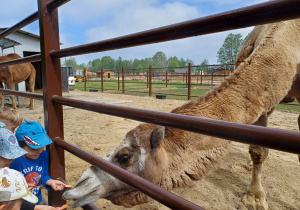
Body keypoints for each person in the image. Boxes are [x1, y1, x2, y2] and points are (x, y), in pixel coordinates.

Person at [10, 120, 70, 206]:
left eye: (42, 146)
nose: (39, 151)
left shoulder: (43, 155)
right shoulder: (13, 161)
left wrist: (51, 182)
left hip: (37, 201)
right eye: (33, 148)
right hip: (18, 204)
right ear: (20, 146)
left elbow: (43, 175)